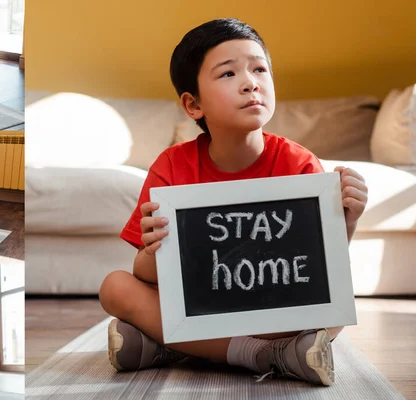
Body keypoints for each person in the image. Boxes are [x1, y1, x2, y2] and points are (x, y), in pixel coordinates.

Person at [98, 18, 368, 386]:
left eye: (259, 69)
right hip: (198, 308)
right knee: (114, 286)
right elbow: (143, 275)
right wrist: (154, 249)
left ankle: (170, 347)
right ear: (193, 105)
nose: (250, 82)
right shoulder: (172, 165)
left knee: (335, 310)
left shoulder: (299, 163)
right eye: (228, 74)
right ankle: (267, 356)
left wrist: (346, 223)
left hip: (271, 305)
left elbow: (317, 271)